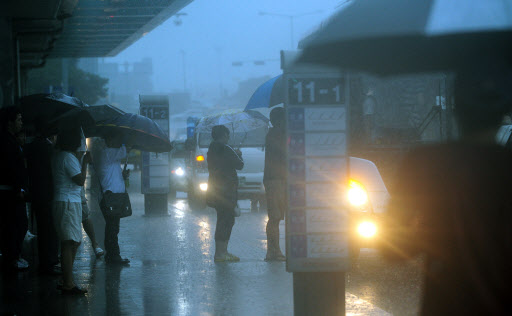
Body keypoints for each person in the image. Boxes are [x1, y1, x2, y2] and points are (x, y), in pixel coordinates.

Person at [381, 66, 512, 314]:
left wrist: (435, 232)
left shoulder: (423, 162)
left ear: (455, 108)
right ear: (504, 110)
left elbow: (391, 251)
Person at [52, 128, 90, 294]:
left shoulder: (62, 156)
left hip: (67, 201)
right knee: (70, 242)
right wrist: (85, 162)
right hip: (68, 202)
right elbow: (80, 180)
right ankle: (68, 282)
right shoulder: (68, 157)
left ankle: (66, 279)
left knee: (72, 241)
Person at [24, 118, 61, 275]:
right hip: (47, 193)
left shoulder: (30, 146)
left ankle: (44, 261)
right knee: (49, 229)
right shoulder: (49, 148)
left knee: (41, 227)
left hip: (35, 192)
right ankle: (49, 262)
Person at [207, 125, 244, 262]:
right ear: (223, 135)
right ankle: (221, 253)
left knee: (223, 220)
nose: (228, 138)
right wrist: (239, 154)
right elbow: (240, 165)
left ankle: (222, 252)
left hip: (216, 190)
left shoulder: (212, 149)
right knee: (227, 220)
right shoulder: (225, 148)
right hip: (227, 191)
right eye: (227, 135)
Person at [92, 135, 130, 265]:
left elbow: (111, 175)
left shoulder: (110, 156)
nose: (120, 143)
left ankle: (112, 255)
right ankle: (114, 256)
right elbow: (126, 149)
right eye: (117, 139)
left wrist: (122, 176)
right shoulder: (108, 153)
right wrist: (128, 143)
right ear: (109, 140)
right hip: (110, 197)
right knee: (112, 228)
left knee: (113, 227)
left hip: (113, 196)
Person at [0, 106, 29, 271]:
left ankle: (13, 256)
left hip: (13, 190)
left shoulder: (11, 141)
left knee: (17, 224)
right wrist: (19, 188)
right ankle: (12, 257)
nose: (21, 123)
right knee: (15, 225)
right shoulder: (7, 142)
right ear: (9, 122)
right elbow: (11, 168)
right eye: (18, 119)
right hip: (11, 192)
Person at [263, 107, 287, 261]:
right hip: (275, 180)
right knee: (275, 216)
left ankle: (274, 251)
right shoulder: (275, 135)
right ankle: (273, 251)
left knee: (276, 217)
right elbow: (284, 152)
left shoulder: (276, 134)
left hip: (279, 179)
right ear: (279, 121)